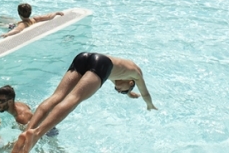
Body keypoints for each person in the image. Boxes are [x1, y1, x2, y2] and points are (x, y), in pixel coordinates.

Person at [10, 53, 155, 153]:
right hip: (101, 64)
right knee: (74, 99)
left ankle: (28, 130)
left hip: (85, 57)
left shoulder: (123, 72)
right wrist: (149, 105)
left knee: (57, 96)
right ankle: (37, 133)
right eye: (121, 91)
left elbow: (122, 84)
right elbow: (146, 93)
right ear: (131, 82)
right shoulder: (137, 74)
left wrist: (128, 93)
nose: (117, 90)